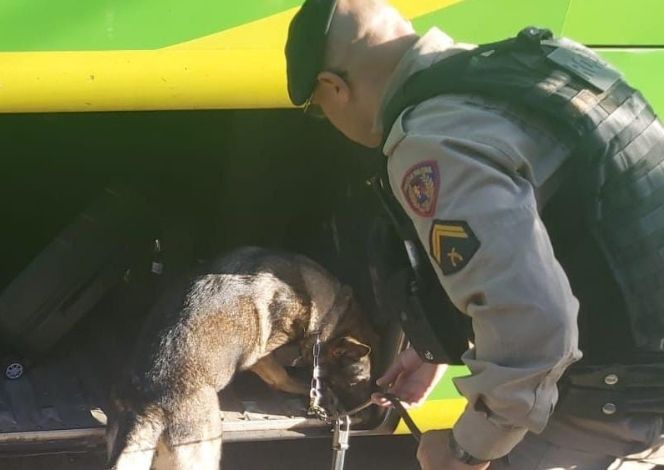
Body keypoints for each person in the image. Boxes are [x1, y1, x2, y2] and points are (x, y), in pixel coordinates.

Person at [285, 0, 664, 469]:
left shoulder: (432, 141)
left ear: (332, 87)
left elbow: (534, 326)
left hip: (611, 403)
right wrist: (443, 344)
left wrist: (466, 451)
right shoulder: (544, 65)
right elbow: (580, 221)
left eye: (320, 110)